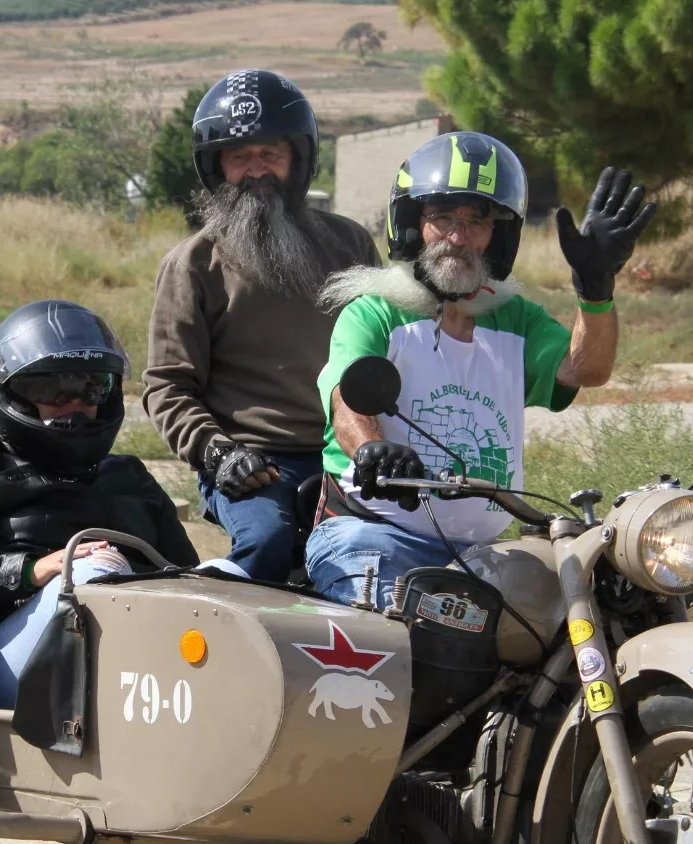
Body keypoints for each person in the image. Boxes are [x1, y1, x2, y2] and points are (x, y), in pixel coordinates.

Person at [305, 132, 656, 608]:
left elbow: (586, 369)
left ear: (499, 236)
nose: (458, 236)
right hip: (373, 536)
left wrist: (595, 289)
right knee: (407, 644)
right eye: (443, 217)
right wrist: (372, 449)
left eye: (477, 221)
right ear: (412, 225)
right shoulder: (375, 313)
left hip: (483, 555)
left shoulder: (516, 320)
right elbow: (346, 396)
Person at [143, 69, 382, 583]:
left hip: (347, 449)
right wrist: (219, 451)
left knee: (399, 549)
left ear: (298, 160)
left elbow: (389, 349)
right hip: (251, 461)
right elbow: (167, 386)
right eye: (239, 157)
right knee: (266, 544)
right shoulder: (191, 265)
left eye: (270, 154)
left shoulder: (352, 247)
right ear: (216, 167)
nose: (257, 170)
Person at [0, 299, 200, 708]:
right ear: (13, 394)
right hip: (1, 666)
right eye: (53, 390)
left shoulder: (129, 477)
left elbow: (191, 578)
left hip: (132, 665)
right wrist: (34, 569)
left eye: (90, 388)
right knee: (94, 570)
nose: (75, 405)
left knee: (227, 573)